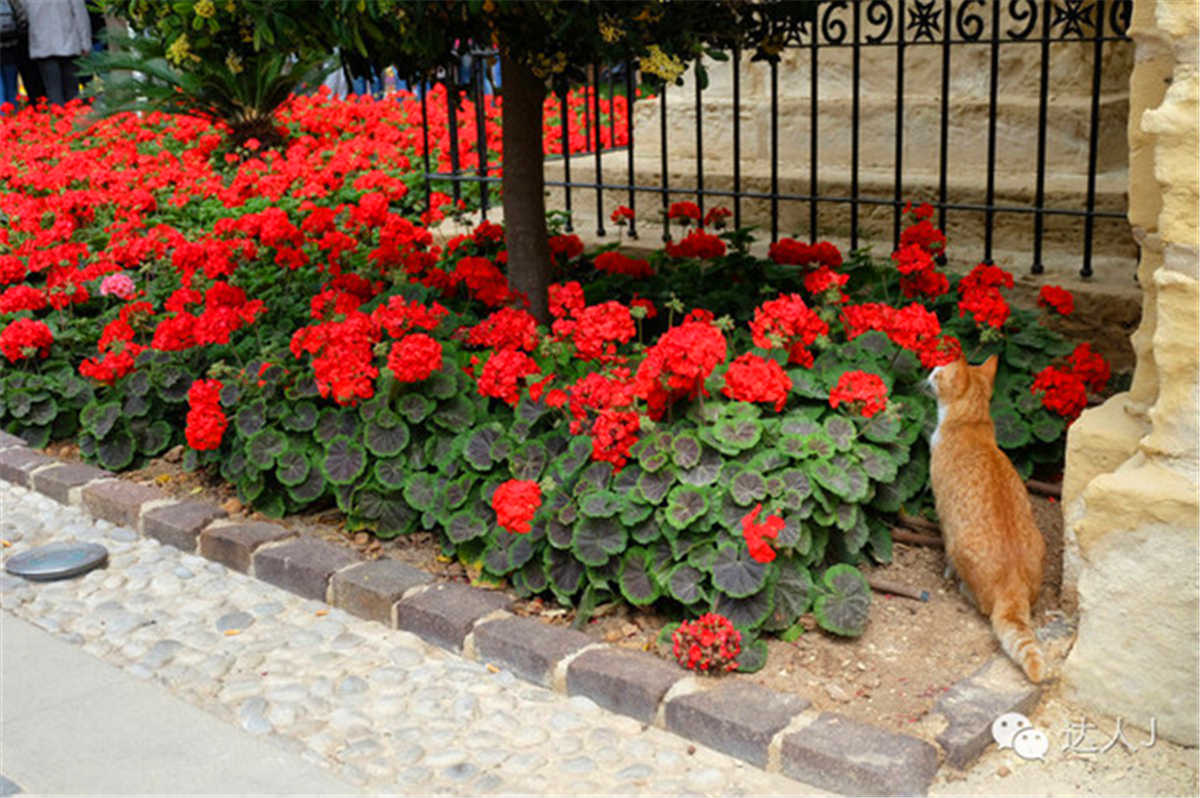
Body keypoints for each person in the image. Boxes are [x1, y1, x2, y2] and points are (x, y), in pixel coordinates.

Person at [24, 0, 90, 106]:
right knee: (72, 90)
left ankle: (58, 118)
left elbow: (23, 15)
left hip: (42, 46)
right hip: (69, 44)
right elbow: (81, 16)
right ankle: (75, 118)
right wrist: (85, 44)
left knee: (53, 92)